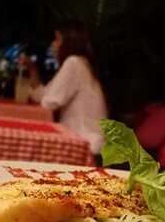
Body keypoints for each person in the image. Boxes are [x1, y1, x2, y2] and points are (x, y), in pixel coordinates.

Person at [26, 21, 108, 155]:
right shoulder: (81, 63)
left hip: (86, 144)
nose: (53, 44)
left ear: (69, 42)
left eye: (58, 39)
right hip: (89, 142)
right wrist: (33, 70)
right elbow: (44, 96)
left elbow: (49, 103)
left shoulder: (74, 63)